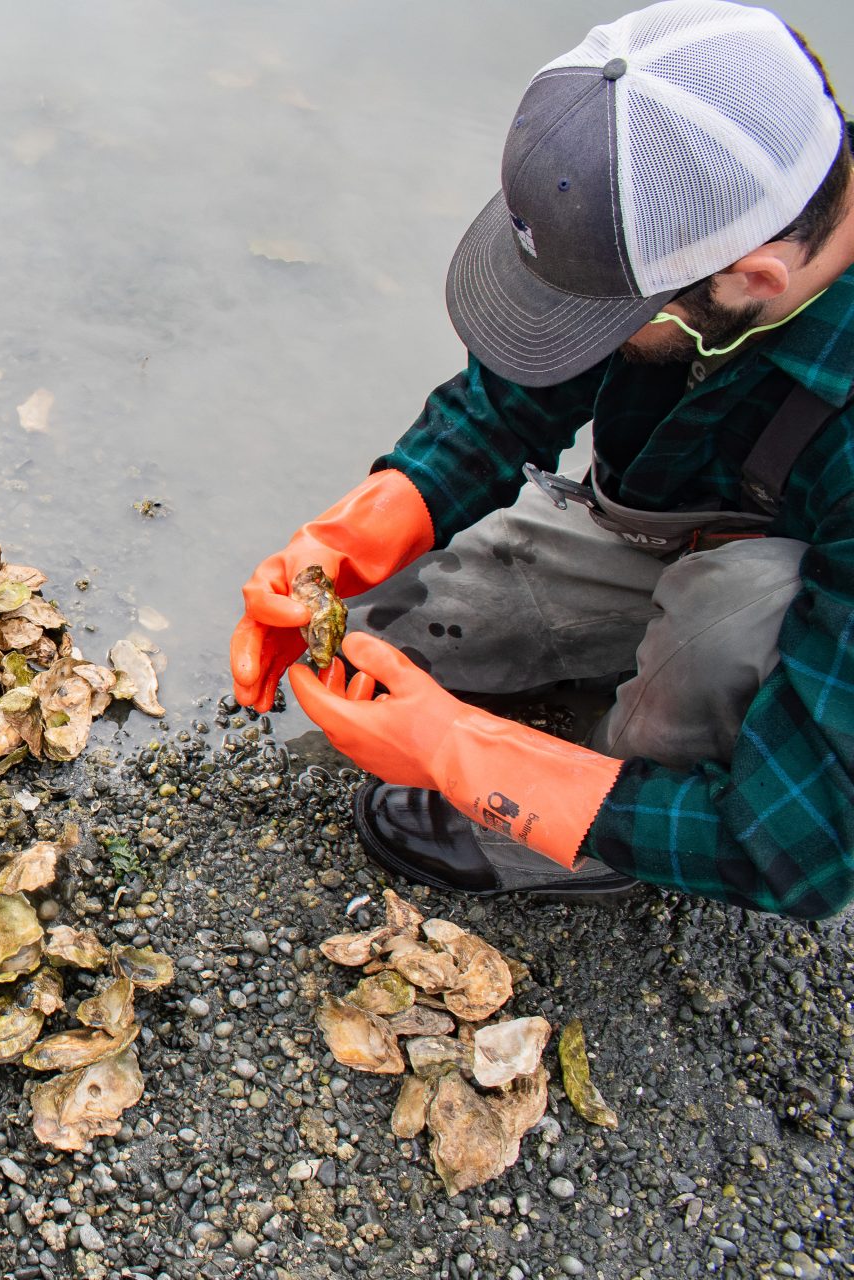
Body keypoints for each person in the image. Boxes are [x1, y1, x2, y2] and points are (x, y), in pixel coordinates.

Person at [231, 0, 854, 920]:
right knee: (387, 631)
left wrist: (470, 759)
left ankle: (609, 825)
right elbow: (517, 390)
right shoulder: (713, 223)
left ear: (754, 280)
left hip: (806, 603)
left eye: (604, 315)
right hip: (676, 516)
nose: (579, 333)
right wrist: (359, 530)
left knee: (729, 617)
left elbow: (799, 853)